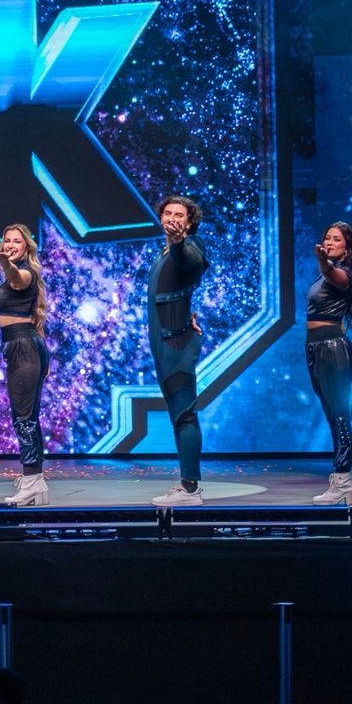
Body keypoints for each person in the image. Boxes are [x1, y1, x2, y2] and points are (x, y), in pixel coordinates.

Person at [146, 195, 211, 507]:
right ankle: (188, 485)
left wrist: (178, 242)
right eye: (168, 213)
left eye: (179, 215)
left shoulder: (190, 245)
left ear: (189, 222)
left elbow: (190, 261)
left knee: (184, 415)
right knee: (178, 416)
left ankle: (190, 488)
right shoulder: (164, 250)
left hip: (177, 346)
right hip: (166, 344)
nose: (172, 219)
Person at [0, 224, 51, 507]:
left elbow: (17, 279)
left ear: (27, 246)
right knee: (27, 417)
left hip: (23, 348)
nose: (11, 245)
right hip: (24, 346)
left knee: (24, 418)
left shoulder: (26, 272)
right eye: (7, 240)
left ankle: (31, 482)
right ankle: (35, 482)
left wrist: (7, 265)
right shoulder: (19, 273)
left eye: (17, 241)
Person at [306, 221, 352, 506]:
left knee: (339, 414)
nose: (329, 242)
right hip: (319, 346)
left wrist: (323, 262)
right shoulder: (325, 275)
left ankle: (344, 478)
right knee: (331, 413)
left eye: (336, 239)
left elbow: (335, 276)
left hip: (329, 348)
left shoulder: (343, 273)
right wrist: (349, 348)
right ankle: (342, 480)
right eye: (327, 237)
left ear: (347, 247)